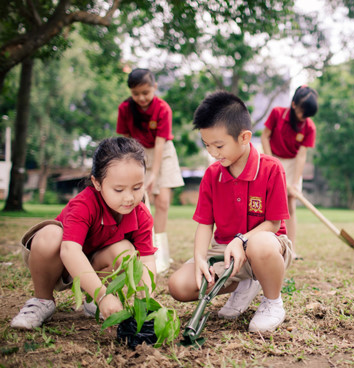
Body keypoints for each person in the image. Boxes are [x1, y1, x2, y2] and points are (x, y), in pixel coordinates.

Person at [168, 91, 293, 333]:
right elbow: (205, 224)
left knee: (260, 246)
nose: (212, 153)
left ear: (244, 137)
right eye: (206, 145)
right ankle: (243, 284)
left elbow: (274, 224)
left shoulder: (271, 169)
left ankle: (272, 302)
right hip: (225, 253)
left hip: (267, 245)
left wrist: (242, 239)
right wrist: (201, 259)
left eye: (219, 145)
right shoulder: (212, 175)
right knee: (179, 286)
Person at [11, 137, 157, 330]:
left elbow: (146, 260)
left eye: (137, 188)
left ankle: (92, 302)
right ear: (97, 183)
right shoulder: (84, 204)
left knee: (126, 252)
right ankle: (42, 300)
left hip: (96, 264)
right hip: (59, 263)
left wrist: (147, 299)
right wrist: (103, 295)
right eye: (119, 189)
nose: (129, 198)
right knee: (49, 236)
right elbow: (70, 251)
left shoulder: (141, 214)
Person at [116, 68, 184, 273]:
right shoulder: (125, 108)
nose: (141, 98)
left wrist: (154, 173)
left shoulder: (163, 108)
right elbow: (123, 139)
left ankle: (162, 253)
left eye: (145, 92)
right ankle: (144, 250)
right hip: (136, 153)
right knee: (142, 203)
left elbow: (161, 144)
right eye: (136, 93)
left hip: (162, 152)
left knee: (162, 202)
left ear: (154, 87)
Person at [260, 85, 318, 260]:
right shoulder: (277, 113)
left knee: (290, 203)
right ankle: (265, 243)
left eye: (307, 114)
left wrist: (294, 183)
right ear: (294, 104)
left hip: (292, 164)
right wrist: (272, 163)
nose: (304, 117)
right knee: (268, 202)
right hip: (272, 157)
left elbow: (301, 156)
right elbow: (265, 137)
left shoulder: (309, 127)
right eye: (302, 112)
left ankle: (290, 250)